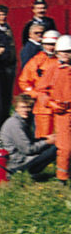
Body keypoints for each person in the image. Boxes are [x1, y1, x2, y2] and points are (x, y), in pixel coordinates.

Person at [34, 34, 71, 185]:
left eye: (69, 51)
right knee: (65, 147)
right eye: (64, 51)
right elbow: (41, 91)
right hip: (62, 113)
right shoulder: (53, 69)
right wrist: (51, 103)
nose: (67, 54)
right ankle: (62, 178)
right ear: (57, 53)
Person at [0, 94, 56, 180]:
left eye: (29, 107)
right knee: (57, 148)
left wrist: (45, 139)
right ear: (16, 108)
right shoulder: (15, 124)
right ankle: (32, 172)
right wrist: (47, 142)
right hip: (17, 162)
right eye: (23, 107)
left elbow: (29, 142)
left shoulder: (22, 121)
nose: (26, 110)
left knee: (54, 144)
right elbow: (28, 149)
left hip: (20, 157)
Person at [20, 30, 60, 136]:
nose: (50, 47)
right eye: (48, 44)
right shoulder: (36, 61)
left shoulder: (64, 62)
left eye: (53, 44)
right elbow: (24, 81)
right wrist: (36, 95)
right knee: (43, 137)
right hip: (43, 108)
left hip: (61, 105)